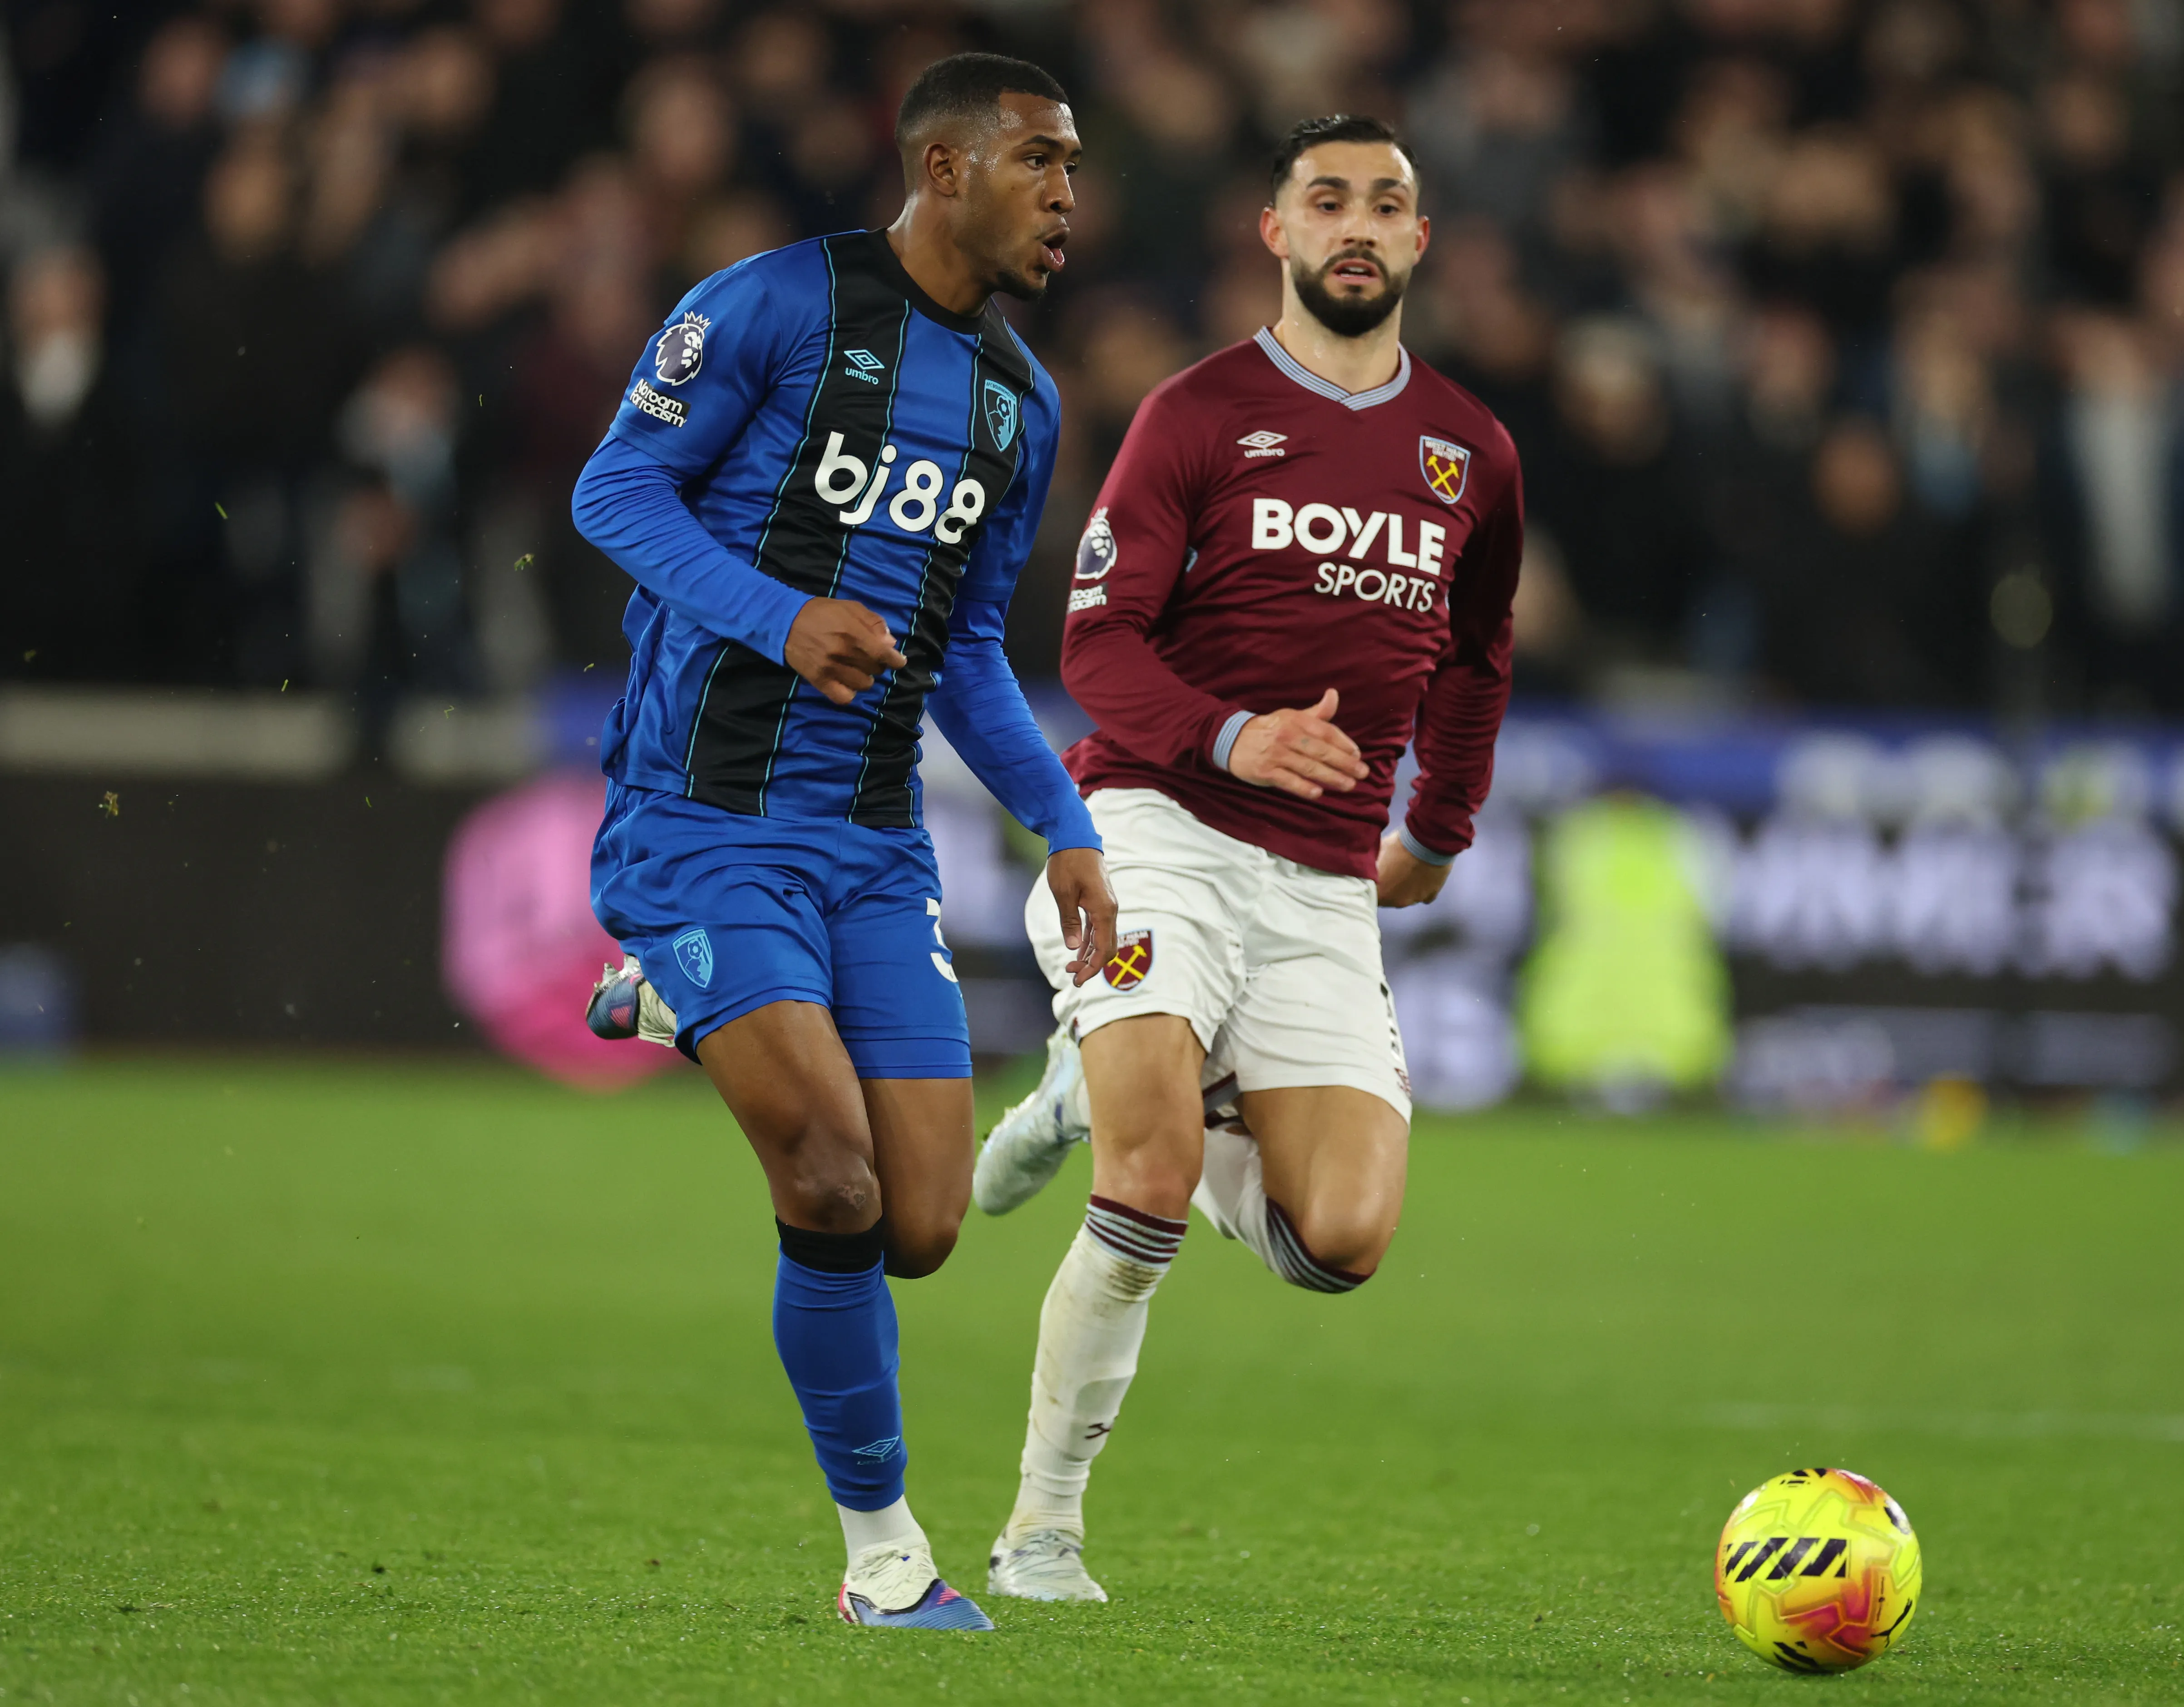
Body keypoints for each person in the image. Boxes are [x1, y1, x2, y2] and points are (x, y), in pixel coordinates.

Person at [571, 53, 1117, 1631]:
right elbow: (617, 488)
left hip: (872, 847)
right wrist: (777, 614)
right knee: (826, 1181)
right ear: (943, 169)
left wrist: (1061, 824)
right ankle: (884, 1558)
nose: (1067, 193)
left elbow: (960, 656)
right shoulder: (766, 306)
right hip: (702, 817)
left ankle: (676, 1008)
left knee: (925, 1225)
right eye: (1038, 160)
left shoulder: (1022, 402)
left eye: (1075, 167)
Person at [969, 113, 1524, 1603]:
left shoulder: (1471, 451)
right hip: (1157, 828)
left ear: (1419, 242)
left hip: (1325, 878)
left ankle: (1084, 1085)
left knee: (1338, 1240)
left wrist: (1438, 830)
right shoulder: (1197, 415)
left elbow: (1475, 663)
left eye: (1386, 205)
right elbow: (1095, 646)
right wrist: (1231, 739)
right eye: (1325, 199)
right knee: (1150, 1179)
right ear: (1272, 233)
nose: (1357, 224)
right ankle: (1040, 1533)